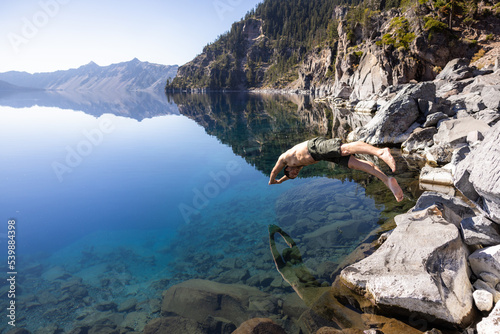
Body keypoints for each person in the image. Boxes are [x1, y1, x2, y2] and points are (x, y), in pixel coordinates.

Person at [268, 137, 404, 202]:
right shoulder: (297, 166)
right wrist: (282, 181)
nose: (295, 173)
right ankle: (387, 181)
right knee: (355, 164)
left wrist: (273, 180)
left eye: (292, 172)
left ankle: (380, 152)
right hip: (322, 156)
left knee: (344, 149)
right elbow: (288, 176)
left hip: (314, 147)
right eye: (295, 175)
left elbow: (274, 170)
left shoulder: (284, 158)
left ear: (286, 168)